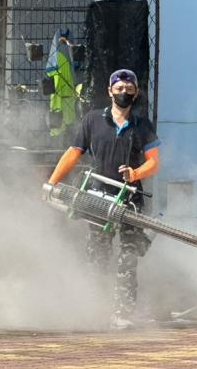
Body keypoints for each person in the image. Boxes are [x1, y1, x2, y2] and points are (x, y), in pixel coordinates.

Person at [47, 68, 160, 329]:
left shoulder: (142, 125)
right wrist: (52, 183)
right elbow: (74, 152)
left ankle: (123, 313)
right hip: (98, 197)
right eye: (119, 89)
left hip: (131, 201)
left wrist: (135, 173)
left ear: (136, 92)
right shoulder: (92, 120)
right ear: (110, 91)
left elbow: (154, 163)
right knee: (97, 255)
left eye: (129, 89)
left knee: (128, 259)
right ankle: (94, 310)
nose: (124, 93)